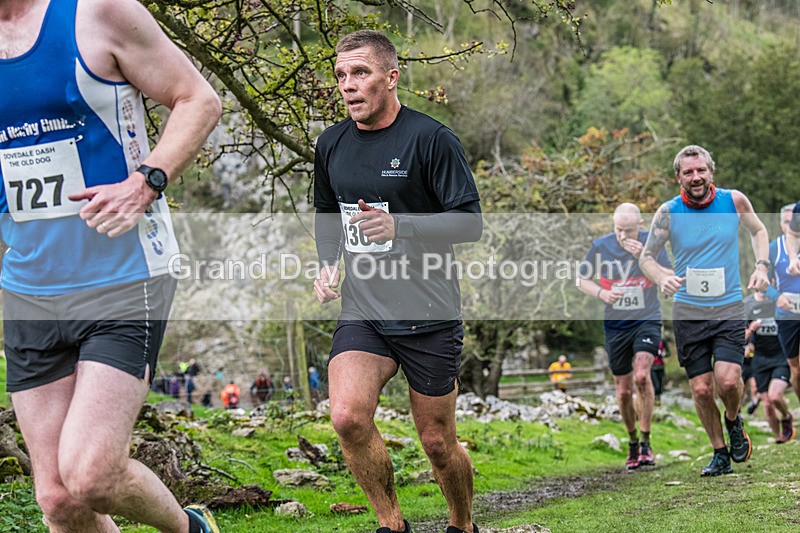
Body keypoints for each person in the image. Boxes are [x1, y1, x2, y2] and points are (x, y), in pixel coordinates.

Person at [0, 1, 221, 531]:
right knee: (60, 500)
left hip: (124, 276)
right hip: (29, 290)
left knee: (92, 473)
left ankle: (192, 529)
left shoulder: (97, 12)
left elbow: (198, 99)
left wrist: (146, 182)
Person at [312, 30, 482, 533]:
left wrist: (400, 226)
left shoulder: (431, 139)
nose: (348, 84)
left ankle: (462, 524)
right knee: (347, 417)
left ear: (390, 77)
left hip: (428, 312)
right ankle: (392, 524)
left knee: (437, 442)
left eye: (360, 72)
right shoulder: (331, 144)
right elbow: (327, 214)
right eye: (341, 75)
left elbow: (470, 224)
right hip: (364, 309)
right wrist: (328, 264)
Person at [639, 145, 770, 476]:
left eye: (701, 170)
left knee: (728, 381)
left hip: (728, 306)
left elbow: (758, 230)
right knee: (700, 389)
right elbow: (646, 257)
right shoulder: (668, 212)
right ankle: (720, 453)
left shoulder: (733, 201)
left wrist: (762, 266)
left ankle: (733, 420)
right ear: (678, 177)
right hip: (688, 311)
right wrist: (662, 277)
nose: (696, 177)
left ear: (711, 172)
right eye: (688, 172)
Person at [578, 203, 672, 470]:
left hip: (647, 319)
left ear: (640, 225)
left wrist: (645, 257)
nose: (622, 236)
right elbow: (580, 279)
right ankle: (632, 442)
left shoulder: (653, 243)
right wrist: (602, 293)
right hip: (616, 325)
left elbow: (669, 276)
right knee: (623, 390)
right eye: (618, 229)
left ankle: (646, 442)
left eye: (628, 231)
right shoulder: (601, 246)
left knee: (642, 376)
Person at [744, 293, 795, 443]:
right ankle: (780, 437)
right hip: (760, 361)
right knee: (766, 403)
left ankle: (786, 416)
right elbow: (740, 337)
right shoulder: (750, 307)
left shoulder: (782, 303)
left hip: (781, 358)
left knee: (775, 397)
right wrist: (751, 330)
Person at [766, 203, 800, 407]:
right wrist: (777, 297)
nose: (791, 226)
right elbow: (762, 284)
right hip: (787, 315)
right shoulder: (773, 249)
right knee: (796, 369)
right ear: (781, 224)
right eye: (787, 222)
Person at [651, 339, 669, 403]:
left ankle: (658, 401)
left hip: (661, 367)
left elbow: (668, 353)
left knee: (661, 387)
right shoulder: (650, 339)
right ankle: (653, 401)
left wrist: (663, 354)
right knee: (656, 386)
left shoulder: (663, 340)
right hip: (652, 367)